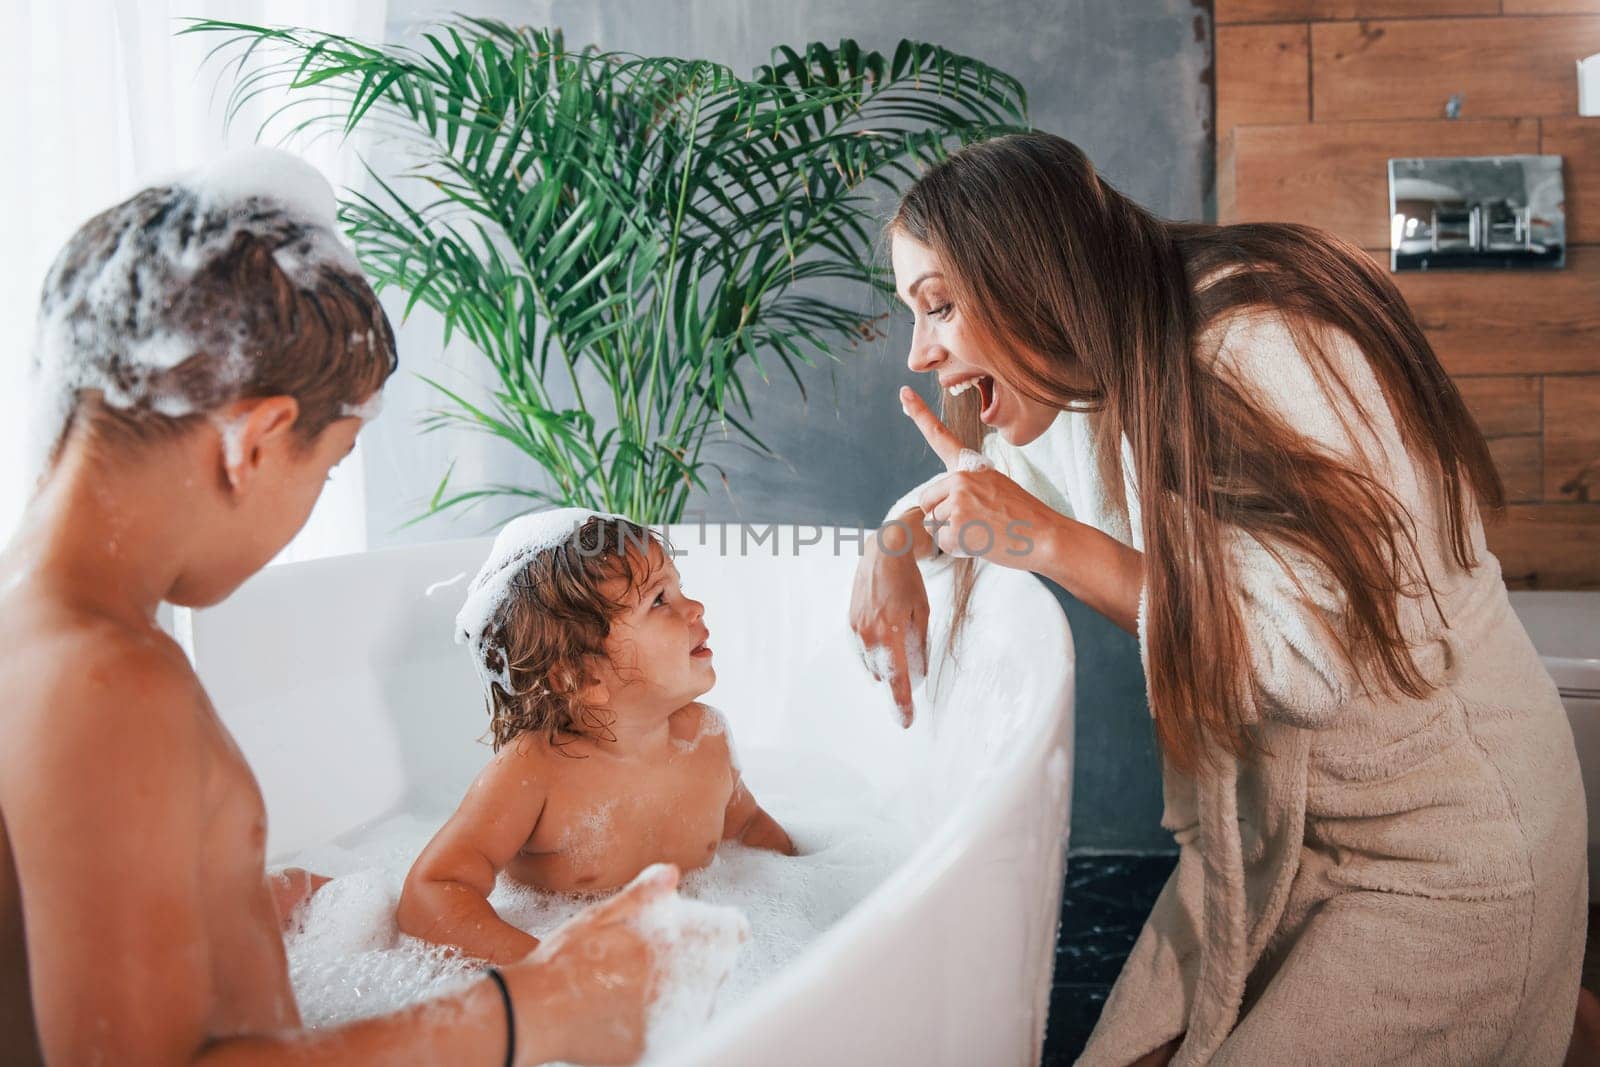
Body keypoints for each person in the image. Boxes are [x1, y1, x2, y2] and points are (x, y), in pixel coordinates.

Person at [849, 131, 1590, 1065]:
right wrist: (892, 543)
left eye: (940, 305)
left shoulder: (1253, 343)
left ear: (1029, 272)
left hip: (1443, 844)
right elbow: (981, 494)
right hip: (1271, 837)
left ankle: (1541, 983)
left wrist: (1061, 546)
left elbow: (1301, 669)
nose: (920, 352)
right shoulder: (1082, 376)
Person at [0, 148, 672, 1066]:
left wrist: (237, 900)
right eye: (332, 464)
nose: (318, 494)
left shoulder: (43, 635)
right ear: (260, 438)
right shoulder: (105, 677)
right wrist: (533, 1009)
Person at [399, 511, 793, 962]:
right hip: (557, 964)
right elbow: (431, 892)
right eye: (659, 600)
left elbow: (748, 829)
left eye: (679, 587)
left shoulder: (707, 738)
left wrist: (815, 884)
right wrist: (551, 970)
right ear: (581, 676)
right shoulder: (535, 770)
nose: (695, 607)